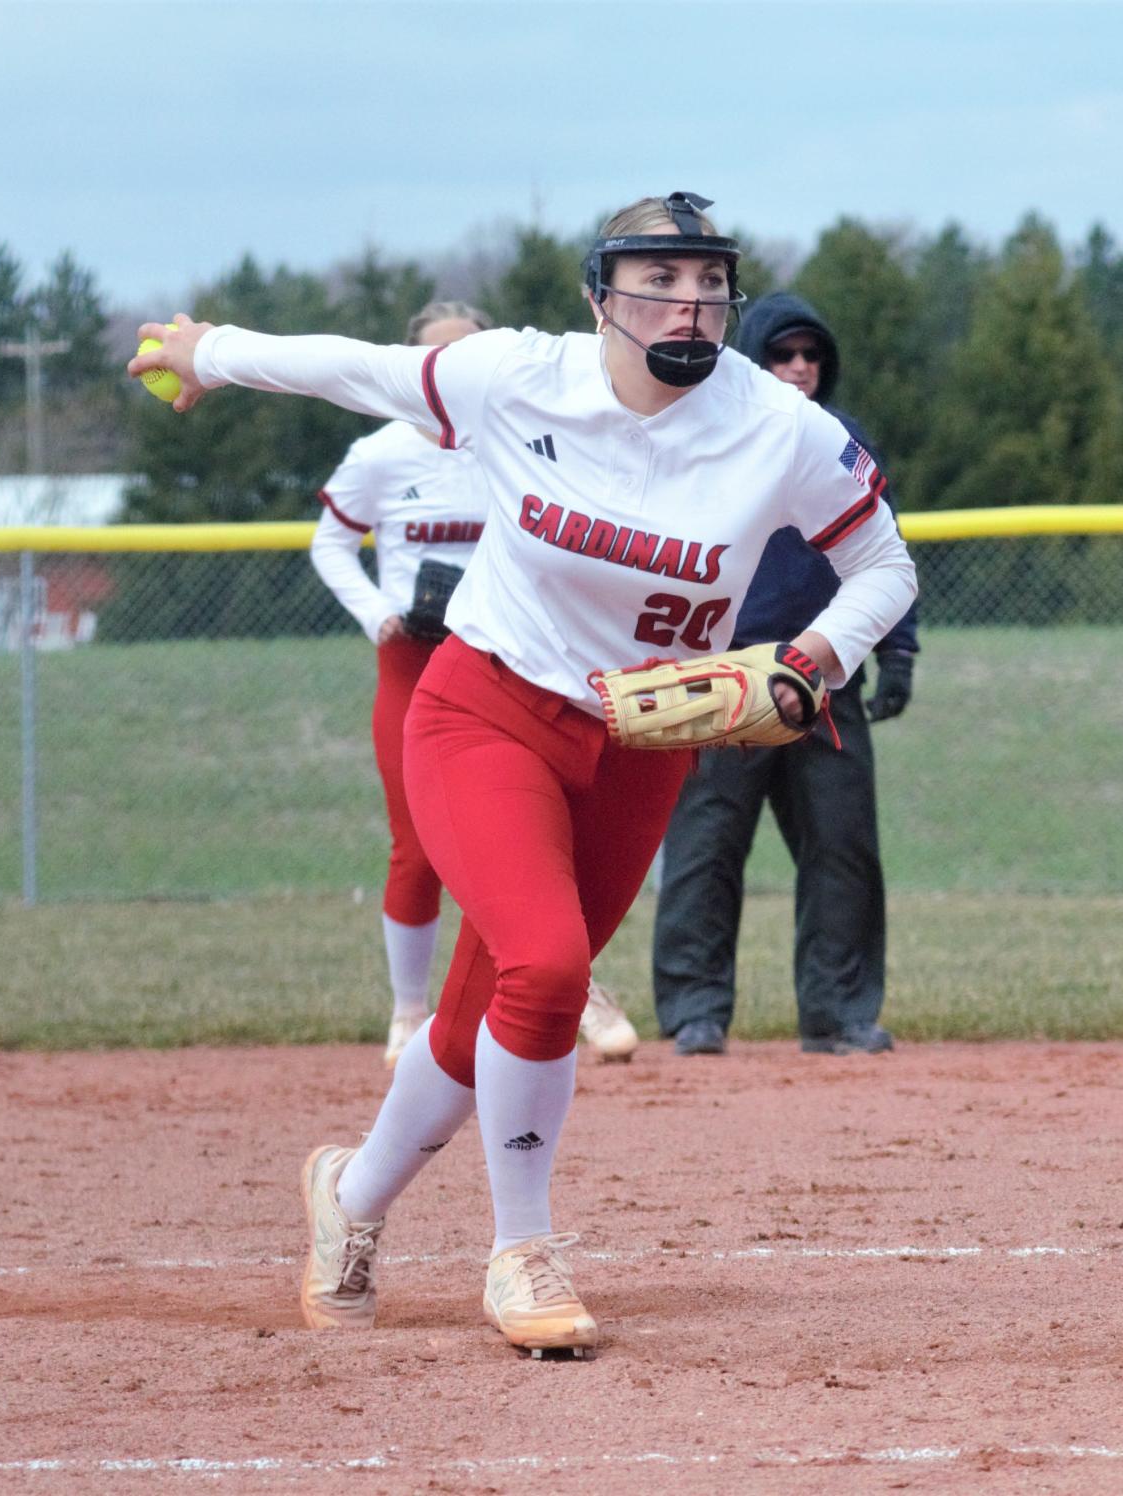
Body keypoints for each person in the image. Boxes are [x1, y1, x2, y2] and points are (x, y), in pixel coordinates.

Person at [129, 191, 917, 1359]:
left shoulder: (778, 424)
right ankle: (523, 1250)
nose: (687, 299)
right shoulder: (517, 376)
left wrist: (810, 662)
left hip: (639, 745)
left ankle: (349, 1199)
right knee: (549, 970)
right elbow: (354, 367)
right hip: (485, 711)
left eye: (707, 280)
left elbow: (882, 566)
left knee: (481, 1016)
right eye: (658, 278)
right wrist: (211, 352)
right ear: (601, 296)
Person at [312, 299, 640, 1068]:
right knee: (419, 849)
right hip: (416, 655)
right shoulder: (384, 453)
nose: (459, 364)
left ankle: (572, 986)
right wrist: (374, 609)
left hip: (521, 657)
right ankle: (408, 1012)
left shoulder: (529, 439)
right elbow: (331, 542)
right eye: (442, 353)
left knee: (540, 842)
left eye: (474, 349)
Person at [652, 291, 920, 1058]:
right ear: (754, 361)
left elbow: (884, 558)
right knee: (705, 847)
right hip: (725, 676)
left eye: (812, 356)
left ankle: (837, 1013)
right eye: (783, 354)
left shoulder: (843, 442)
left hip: (826, 678)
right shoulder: (703, 440)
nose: (799, 368)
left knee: (843, 849)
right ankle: (695, 1010)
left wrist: (897, 652)